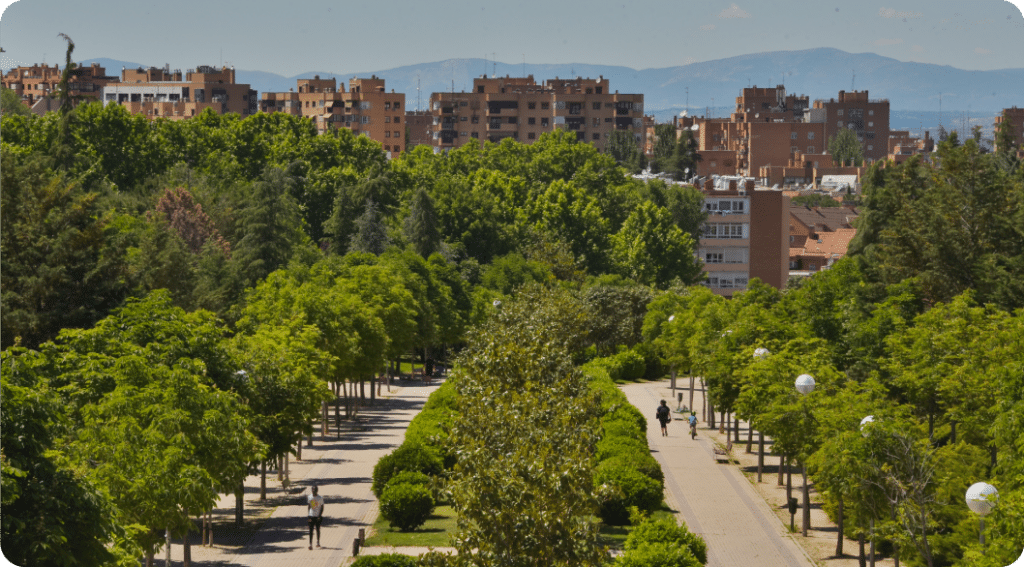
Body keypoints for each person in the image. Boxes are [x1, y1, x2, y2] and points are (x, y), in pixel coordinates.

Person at [307, 485, 324, 549]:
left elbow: (322, 507)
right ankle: (310, 544)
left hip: (317, 516)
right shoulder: (309, 497)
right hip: (311, 515)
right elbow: (309, 506)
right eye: (312, 489)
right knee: (311, 530)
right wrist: (308, 516)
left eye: (315, 490)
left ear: (317, 490)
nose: (313, 491)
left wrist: (320, 515)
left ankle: (318, 542)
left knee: (317, 529)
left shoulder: (320, 498)